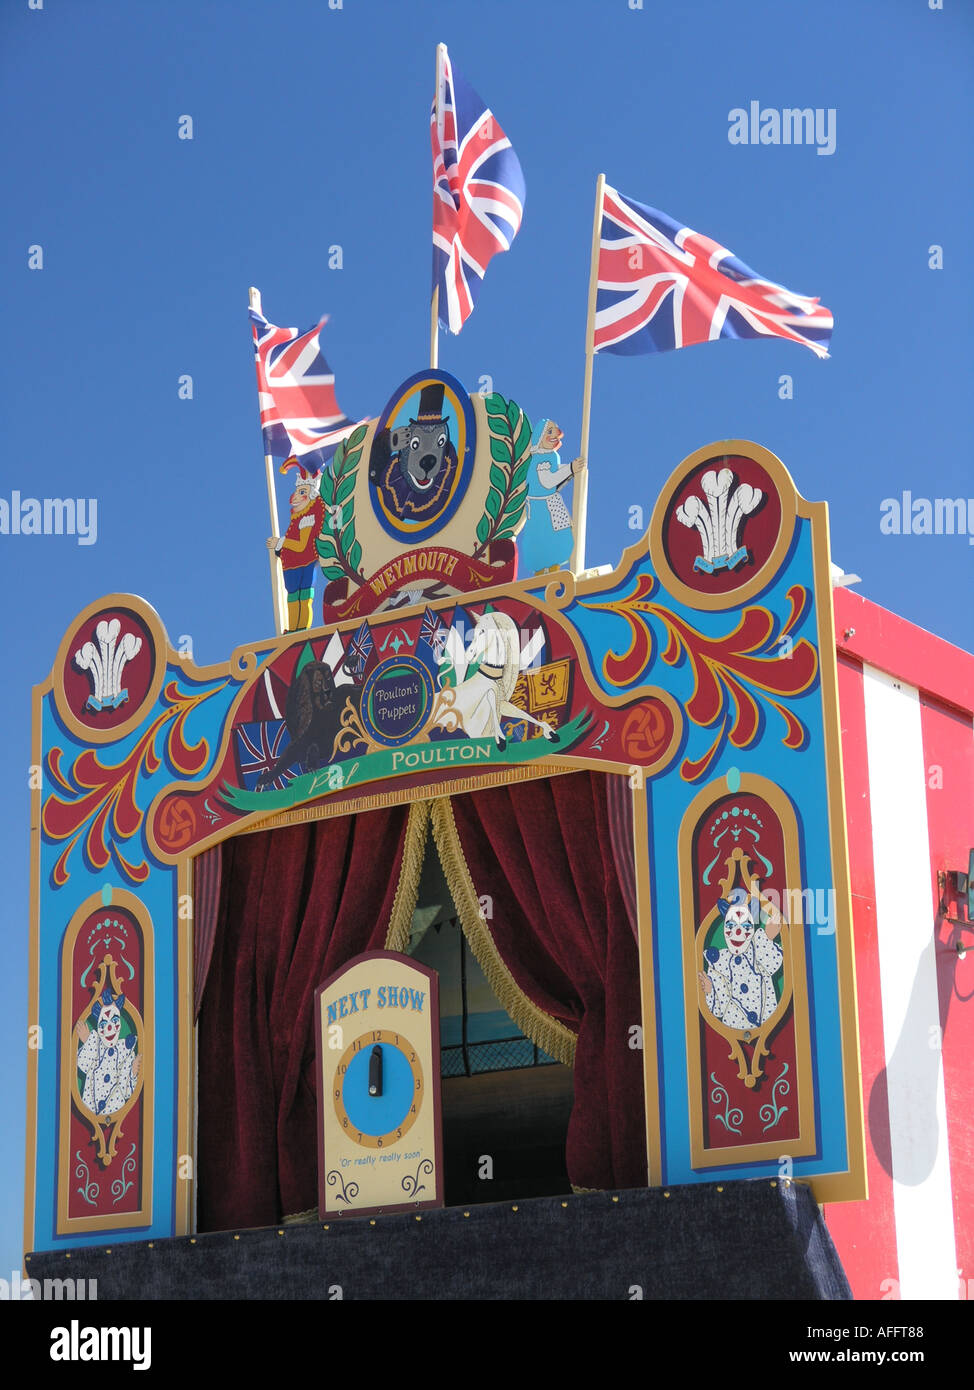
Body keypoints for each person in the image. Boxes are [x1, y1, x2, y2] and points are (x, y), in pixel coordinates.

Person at [698, 887, 783, 1030]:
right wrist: (710, 989)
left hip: (766, 1025)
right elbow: (718, 1009)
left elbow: (772, 965)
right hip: (733, 1026)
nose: (738, 932)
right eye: (731, 925)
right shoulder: (719, 962)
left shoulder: (758, 948)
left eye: (745, 926)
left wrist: (768, 937)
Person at [267, 457, 325, 632]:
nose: (296, 496)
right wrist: (280, 548)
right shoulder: (298, 517)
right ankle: (295, 630)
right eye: (298, 491)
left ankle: (300, 630)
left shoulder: (308, 518)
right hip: (292, 565)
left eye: (302, 491)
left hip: (304, 563)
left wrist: (281, 542)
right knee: (294, 596)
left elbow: (301, 546)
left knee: (303, 596)